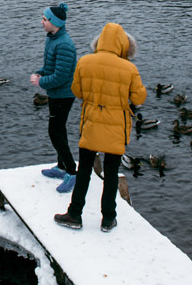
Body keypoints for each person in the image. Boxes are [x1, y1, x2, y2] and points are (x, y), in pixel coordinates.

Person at [54, 21, 145, 233]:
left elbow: (77, 91)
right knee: (111, 174)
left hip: (92, 124)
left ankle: (75, 214)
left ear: (99, 41)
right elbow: (139, 97)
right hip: (116, 127)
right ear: (124, 45)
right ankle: (108, 218)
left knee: (84, 170)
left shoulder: (85, 62)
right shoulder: (130, 68)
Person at [30, 3, 77, 194]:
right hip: (55, 94)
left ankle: (72, 172)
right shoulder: (52, 38)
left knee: (56, 132)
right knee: (57, 130)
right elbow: (49, 67)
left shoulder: (64, 44)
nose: (41, 22)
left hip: (64, 95)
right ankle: (61, 167)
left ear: (54, 23)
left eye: (44, 19)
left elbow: (61, 76)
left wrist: (41, 82)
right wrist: (39, 73)